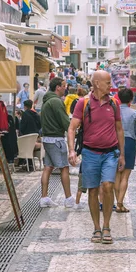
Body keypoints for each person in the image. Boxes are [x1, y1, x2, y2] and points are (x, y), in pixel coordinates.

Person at [67, 70, 125, 244]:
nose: (111, 85)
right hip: (90, 153)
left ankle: (106, 226)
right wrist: (71, 150)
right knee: (92, 190)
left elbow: (119, 129)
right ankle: (96, 227)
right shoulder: (83, 103)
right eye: (108, 82)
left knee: (107, 186)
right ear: (97, 83)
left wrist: (122, 154)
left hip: (110, 153)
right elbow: (71, 128)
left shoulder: (114, 103)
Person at [39, 77, 74, 208]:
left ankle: (44, 197)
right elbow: (65, 122)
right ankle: (69, 199)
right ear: (58, 87)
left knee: (48, 167)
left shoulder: (47, 101)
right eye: (64, 85)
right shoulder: (56, 102)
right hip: (56, 140)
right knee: (64, 167)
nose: (66, 88)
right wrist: (72, 128)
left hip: (47, 139)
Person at [115, 88, 136, 213]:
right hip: (129, 143)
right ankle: (120, 203)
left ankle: (118, 202)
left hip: (115, 143)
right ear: (131, 99)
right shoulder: (134, 113)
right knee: (125, 176)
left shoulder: (114, 112)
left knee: (116, 175)